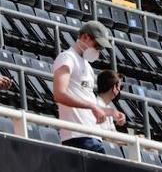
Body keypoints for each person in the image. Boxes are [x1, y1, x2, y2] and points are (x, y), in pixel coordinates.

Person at [52, 20, 122, 153]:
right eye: (97, 45)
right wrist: (93, 106)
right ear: (84, 37)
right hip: (77, 136)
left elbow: (88, 101)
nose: (98, 50)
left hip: (92, 135)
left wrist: (111, 113)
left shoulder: (87, 66)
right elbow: (59, 94)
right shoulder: (67, 58)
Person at [93, 70, 128, 139]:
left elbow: (113, 135)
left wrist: (135, 139)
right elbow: (107, 138)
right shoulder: (97, 106)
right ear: (114, 88)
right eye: (119, 87)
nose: (119, 90)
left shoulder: (108, 108)